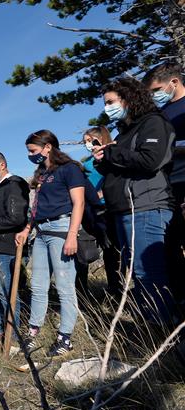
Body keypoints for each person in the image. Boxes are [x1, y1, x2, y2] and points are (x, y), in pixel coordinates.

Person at [94, 77, 177, 324]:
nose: (107, 107)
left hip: (146, 205)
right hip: (124, 209)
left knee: (148, 273)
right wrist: (104, 161)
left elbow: (150, 160)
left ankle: (162, 329)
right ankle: (151, 324)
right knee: (138, 274)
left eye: (111, 101)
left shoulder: (153, 124)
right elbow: (124, 165)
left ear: (129, 99)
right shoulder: (125, 132)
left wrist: (111, 151)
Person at [15, 131, 85, 357]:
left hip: (61, 230)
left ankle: (65, 338)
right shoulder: (42, 174)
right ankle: (33, 331)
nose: (30, 155)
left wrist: (72, 234)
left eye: (33, 150)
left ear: (47, 147)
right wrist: (27, 229)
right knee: (38, 285)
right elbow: (36, 208)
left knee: (64, 286)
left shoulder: (70, 169)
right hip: (41, 232)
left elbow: (79, 202)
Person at [144, 63, 185, 304]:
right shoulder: (162, 114)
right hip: (167, 188)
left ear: (174, 82)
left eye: (157, 89)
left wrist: (175, 148)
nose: (154, 95)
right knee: (168, 247)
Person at [0, 152, 30, 338]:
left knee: (6, 292)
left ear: (2, 165)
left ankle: (13, 334)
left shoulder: (14, 184)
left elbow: (16, 217)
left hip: (6, 246)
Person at [80, 127, 122, 297]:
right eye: (84, 142)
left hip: (112, 207)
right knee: (109, 251)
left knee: (119, 248)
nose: (87, 145)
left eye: (89, 141)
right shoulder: (86, 163)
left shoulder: (111, 155)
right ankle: (115, 289)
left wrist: (103, 193)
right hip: (95, 213)